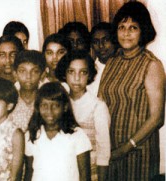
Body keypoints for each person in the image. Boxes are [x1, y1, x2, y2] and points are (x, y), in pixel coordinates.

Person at [98, 2, 165, 181]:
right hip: (110, 150)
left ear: (143, 30)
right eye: (122, 27)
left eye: (133, 27)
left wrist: (126, 147)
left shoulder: (152, 65)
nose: (126, 33)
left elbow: (157, 118)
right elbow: (100, 103)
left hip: (138, 152)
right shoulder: (112, 61)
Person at [55, 50, 111, 181]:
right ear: (64, 73)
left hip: (89, 174)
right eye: (71, 71)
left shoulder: (97, 106)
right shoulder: (59, 102)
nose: (76, 78)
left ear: (90, 75)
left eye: (83, 72)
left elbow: (103, 151)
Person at [24, 82, 92, 181]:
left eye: (55, 106)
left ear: (64, 107)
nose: (49, 111)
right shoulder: (32, 135)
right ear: (38, 107)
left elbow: (85, 176)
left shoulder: (77, 135)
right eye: (44, 105)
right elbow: (29, 172)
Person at [10, 50, 46, 132]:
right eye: (22, 71)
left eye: (35, 71)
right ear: (15, 74)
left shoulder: (47, 101)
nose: (28, 76)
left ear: (42, 75)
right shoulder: (9, 100)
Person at [88, 22, 117, 96]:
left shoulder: (123, 68)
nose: (101, 46)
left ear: (114, 41)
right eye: (95, 42)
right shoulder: (89, 70)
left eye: (105, 40)